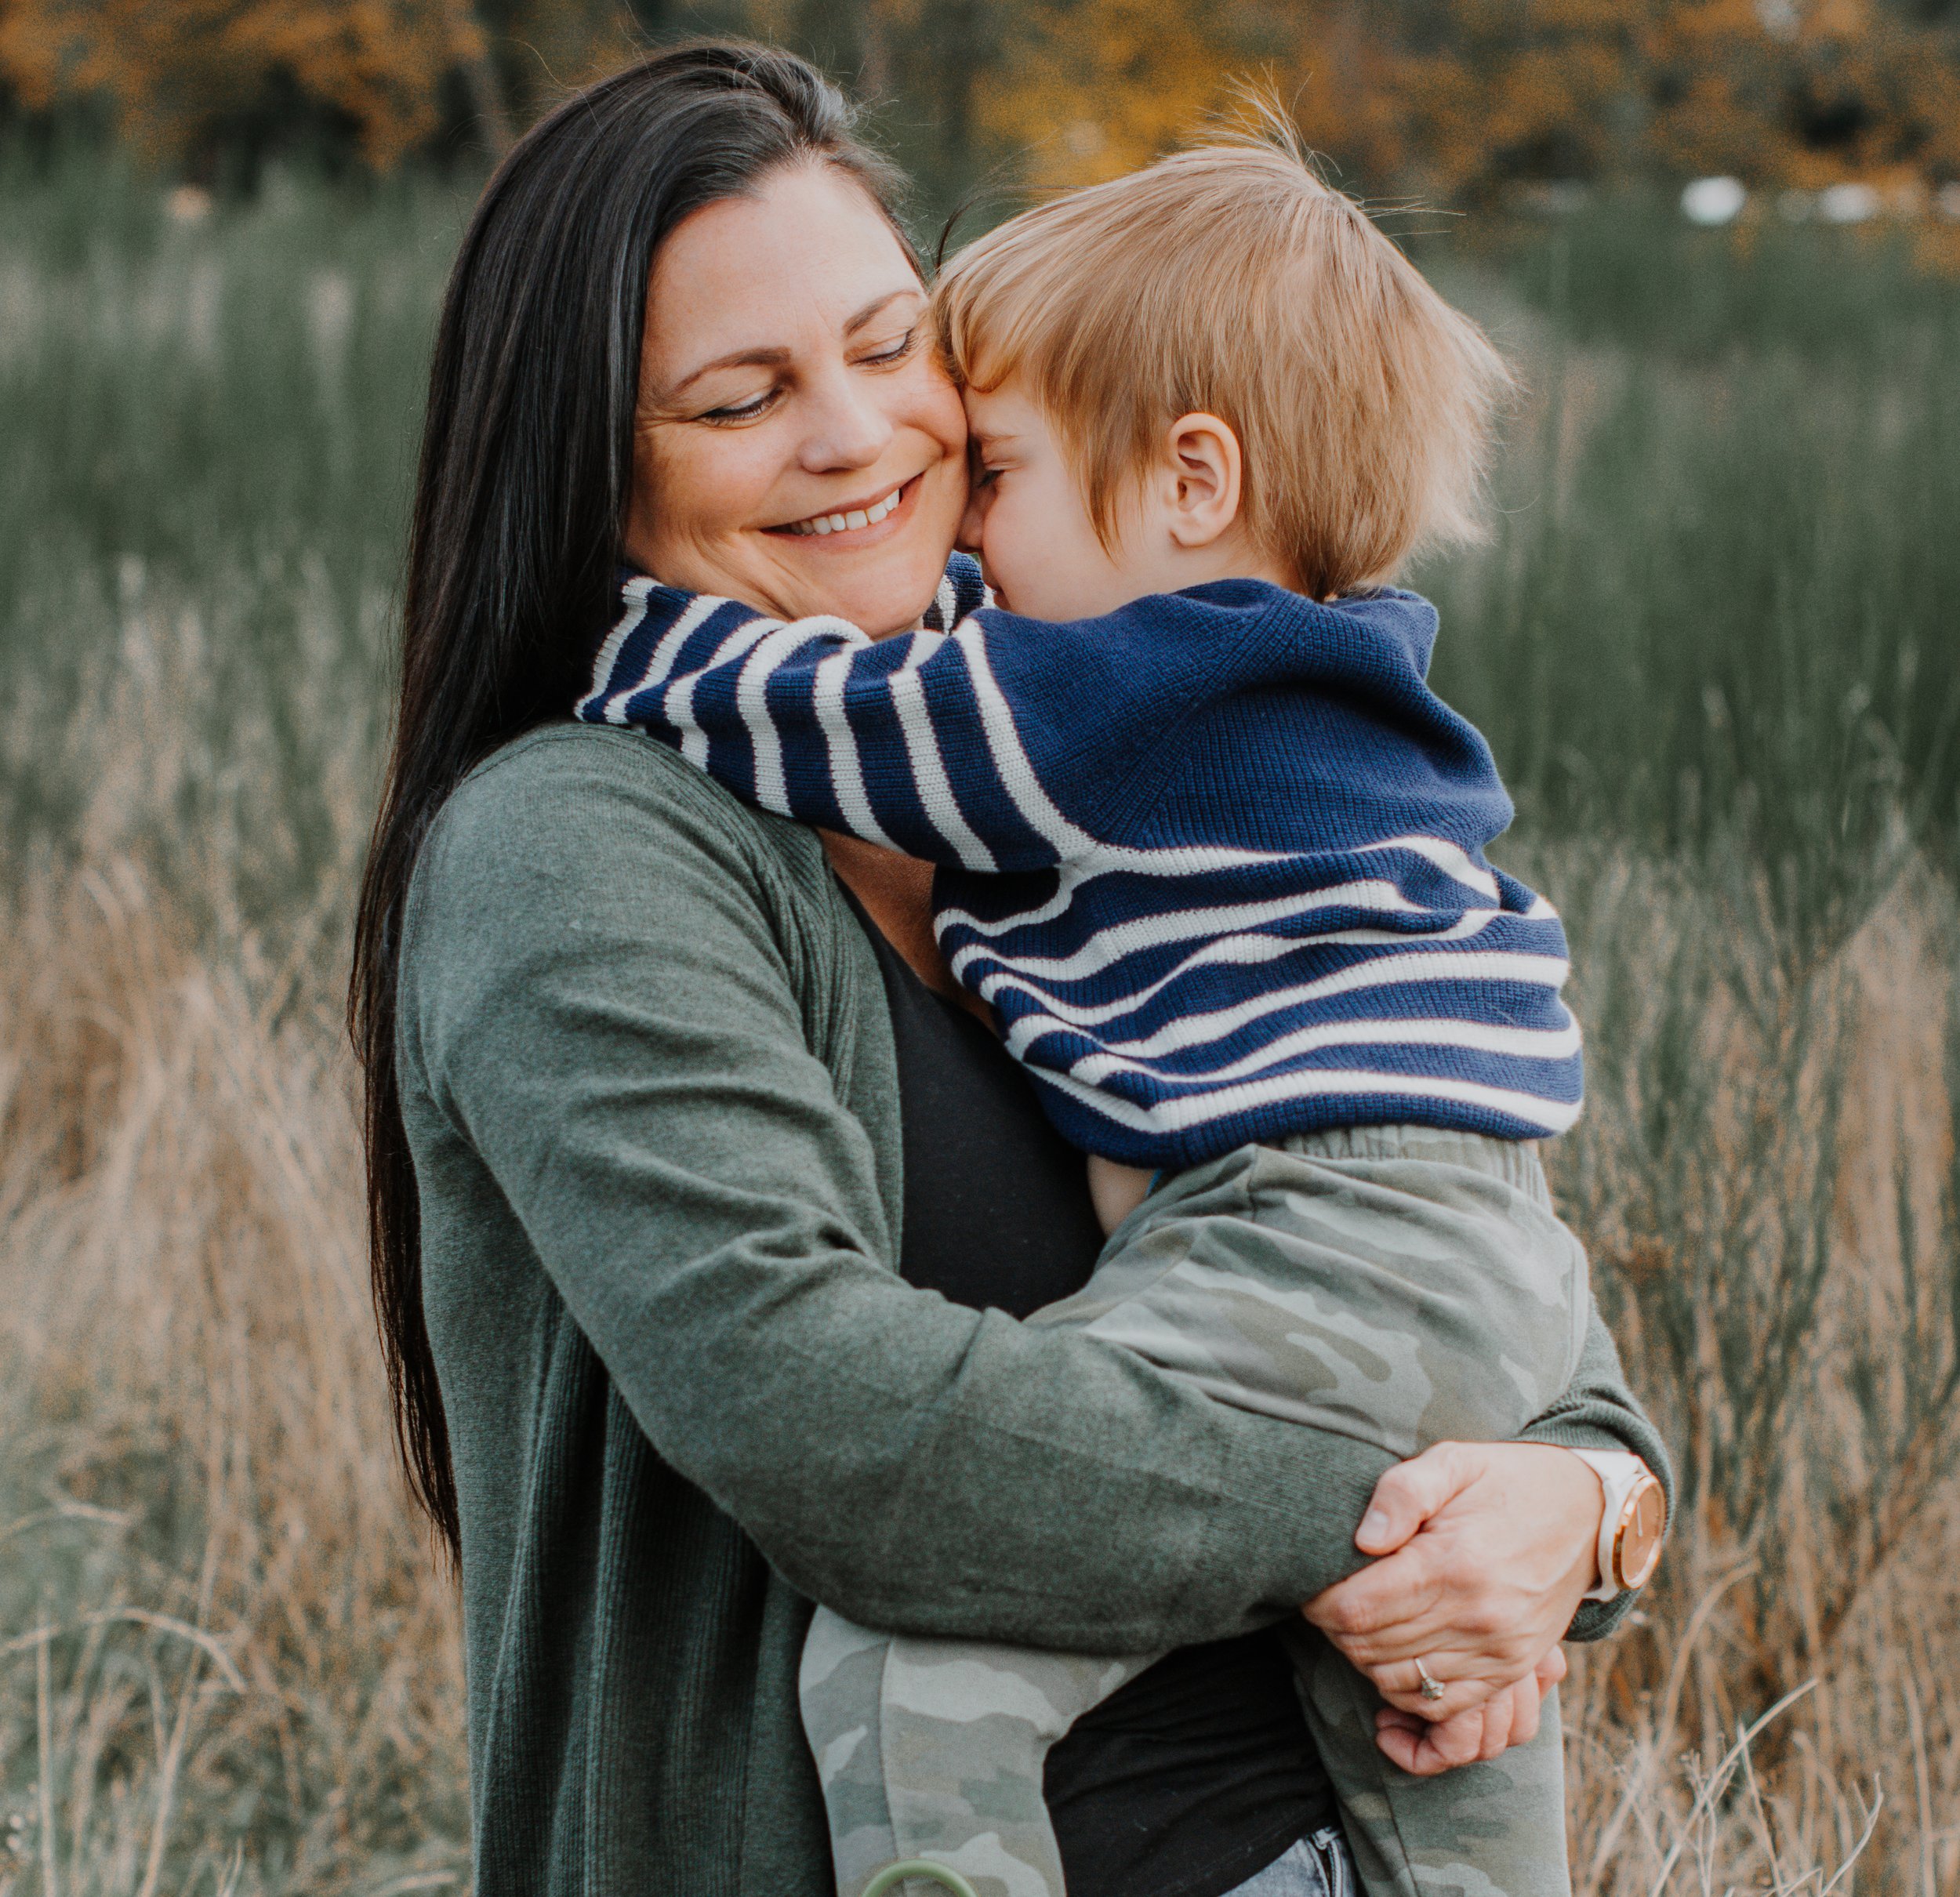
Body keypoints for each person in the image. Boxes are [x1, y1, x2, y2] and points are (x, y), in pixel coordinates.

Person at [349, 42, 1673, 1897]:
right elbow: (816, 1415)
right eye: (742, 398)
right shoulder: (578, 841)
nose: (860, 435)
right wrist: (1381, 1521)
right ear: (585, 467)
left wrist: (1589, 1507)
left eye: (893, 347)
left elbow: (1492, 1286)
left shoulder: (1090, 749)